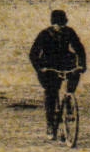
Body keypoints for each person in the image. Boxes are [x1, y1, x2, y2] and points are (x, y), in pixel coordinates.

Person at [29, 10, 86, 139]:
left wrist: (82, 65)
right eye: (57, 25)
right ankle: (50, 124)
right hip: (48, 66)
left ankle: (69, 100)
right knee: (51, 92)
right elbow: (33, 54)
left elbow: (79, 49)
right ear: (52, 24)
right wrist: (40, 68)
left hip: (65, 62)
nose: (60, 28)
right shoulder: (44, 34)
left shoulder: (69, 32)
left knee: (74, 74)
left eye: (62, 25)